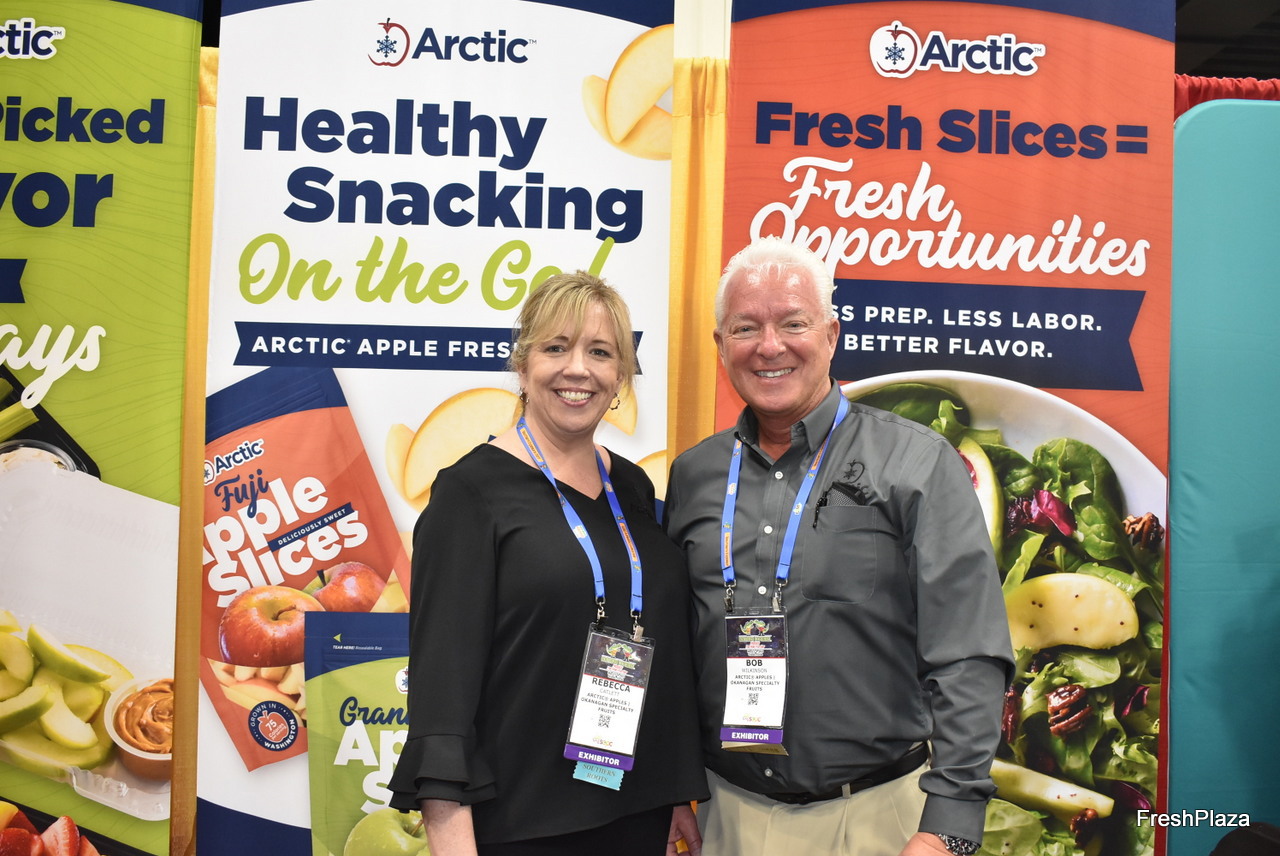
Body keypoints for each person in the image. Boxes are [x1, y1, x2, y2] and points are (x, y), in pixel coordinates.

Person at [664, 237, 1014, 856]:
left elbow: (969, 654)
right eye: (745, 327)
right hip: (725, 813)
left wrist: (948, 827)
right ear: (720, 346)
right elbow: (674, 649)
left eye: (793, 323)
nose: (769, 346)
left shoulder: (916, 463)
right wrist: (668, 788)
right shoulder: (694, 475)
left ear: (831, 334)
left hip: (879, 820)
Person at [389, 272, 708, 856]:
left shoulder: (631, 486)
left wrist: (669, 797)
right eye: (556, 348)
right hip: (523, 825)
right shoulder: (469, 494)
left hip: (635, 812)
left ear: (621, 375)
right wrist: (451, 839)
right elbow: (441, 698)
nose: (578, 369)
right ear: (522, 364)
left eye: (600, 352)